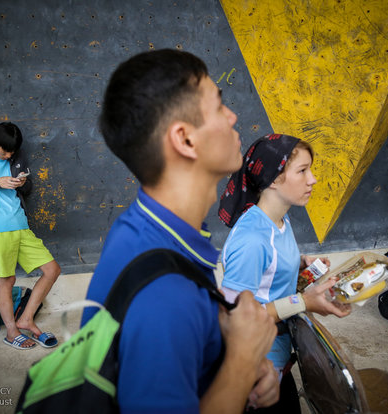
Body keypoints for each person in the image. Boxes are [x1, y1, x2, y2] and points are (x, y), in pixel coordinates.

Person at [82, 49, 279, 414]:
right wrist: (242, 360)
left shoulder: (143, 226)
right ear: (185, 140)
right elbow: (167, 316)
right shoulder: (165, 297)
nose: (233, 116)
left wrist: (229, 356)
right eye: (220, 106)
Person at [218, 134, 351, 413]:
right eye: (302, 171)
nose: (312, 179)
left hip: (278, 357)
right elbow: (233, 317)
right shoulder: (251, 239)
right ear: (274, 179)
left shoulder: (279, 219)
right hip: (255, 371)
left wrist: (301, 264)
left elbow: (271, 265)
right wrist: (304, 302)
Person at [0, 122, 60, 350]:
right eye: (4, 151)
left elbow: (27, 189)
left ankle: (26, 318)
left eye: (12, 152)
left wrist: (23, 184)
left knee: (52, 270)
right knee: (7, 280)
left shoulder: (17, 156)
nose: (8, 156)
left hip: (21, 225)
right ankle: (12, 332)